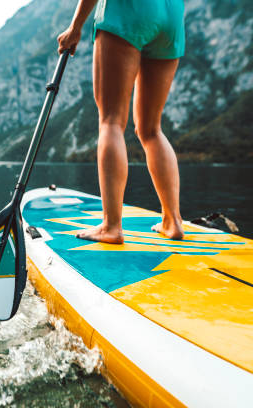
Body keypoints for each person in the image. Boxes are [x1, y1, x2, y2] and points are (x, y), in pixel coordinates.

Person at [57, 0, 185, 242]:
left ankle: (111, 226)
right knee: (151, 129)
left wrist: (75, 27)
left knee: (111, 121)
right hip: (172, 16)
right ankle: (173, 221)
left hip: (128, 11)